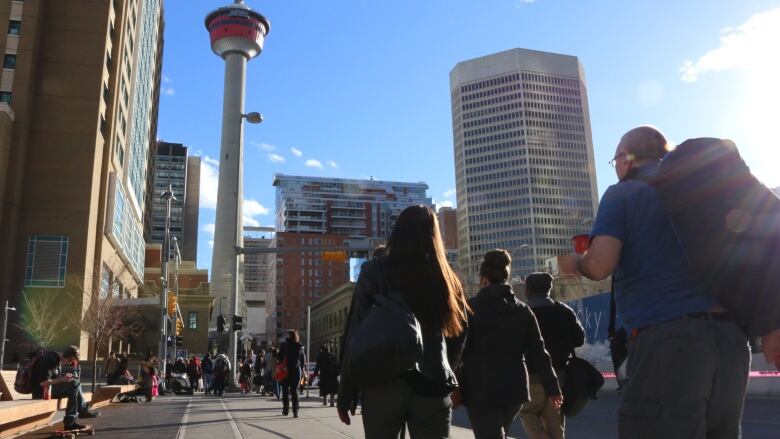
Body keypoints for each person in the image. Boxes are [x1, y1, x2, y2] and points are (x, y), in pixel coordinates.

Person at [564, 125, 751, 437]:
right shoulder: (703, 191)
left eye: (615, 161)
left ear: (625, 159)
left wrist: (576, 263)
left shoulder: (624, 192)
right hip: (731, 339)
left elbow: (599, 265)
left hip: (668, 338)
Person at [338, 205, 470, 438]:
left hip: (382, 382)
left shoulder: (374, 270)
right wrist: (446, 367)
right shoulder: (447, 278)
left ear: (397, 231)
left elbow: (355, 332)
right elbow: (459, 332)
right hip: (432, 384)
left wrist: (347, 390)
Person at [458, 251, 562, 439]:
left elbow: (457, 346)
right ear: (507, 277)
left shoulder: (470, 308)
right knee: (499, 432)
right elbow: (539, 352)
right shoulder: (523, 311)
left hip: (479, 387)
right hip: (514, 389)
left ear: (483, 279)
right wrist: (553, 388)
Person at [519, 272, 583, 439]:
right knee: (556, 424)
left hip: (531, 376)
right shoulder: (563, 311)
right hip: (560, 374)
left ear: (528, 291)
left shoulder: (522, 313)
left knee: (528, 412)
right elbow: (579, 339)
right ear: (550, 289)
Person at [31, 345, 100, 431]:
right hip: (41, 392)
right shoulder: (50, 360)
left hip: (48, 390)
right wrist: (63, 379)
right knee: (74, 384)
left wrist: (64, 378)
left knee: (74, 385)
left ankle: (72, 421)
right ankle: (78, 414)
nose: (69, 363)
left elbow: (53, 379)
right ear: (67, 356)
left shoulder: (56, 360)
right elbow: (42, 383)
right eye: (70, 361)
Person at [278, 330, 307, 417]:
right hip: (295, 370)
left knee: (285, 390)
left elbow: (279, 357)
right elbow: (303, 360)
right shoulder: (299, 346)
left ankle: (286, 409)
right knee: (294, 391)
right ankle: (295, 411)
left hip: (286, 370)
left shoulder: (284, 345)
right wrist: (301, 369)